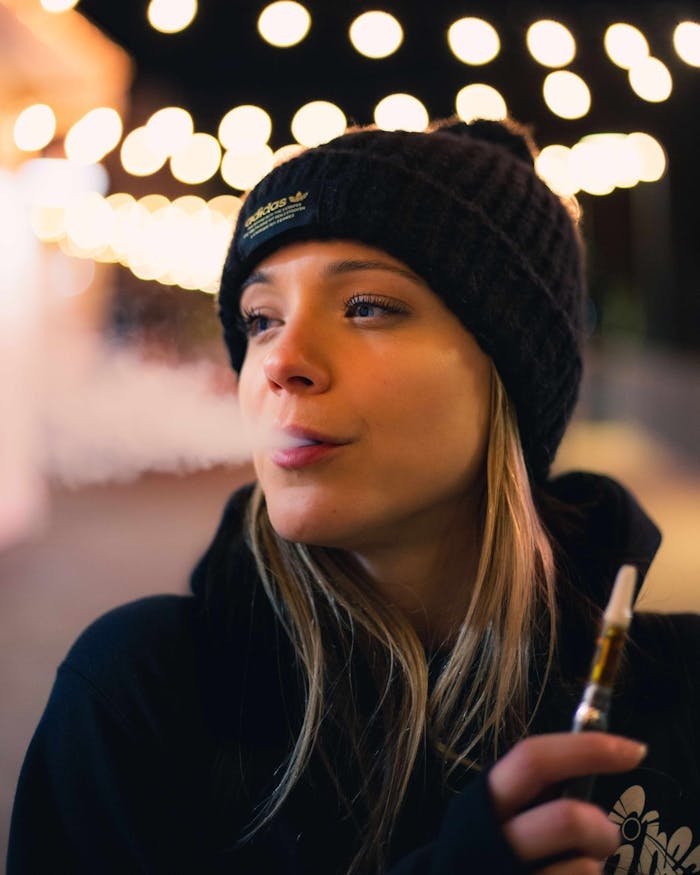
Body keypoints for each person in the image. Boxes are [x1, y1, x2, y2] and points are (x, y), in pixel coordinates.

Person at [7, 117, 700, 875]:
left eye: (366, 305)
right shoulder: (140, 693)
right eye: (260, 320)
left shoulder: (681, 698)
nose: (282, 361)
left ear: (513, 371)